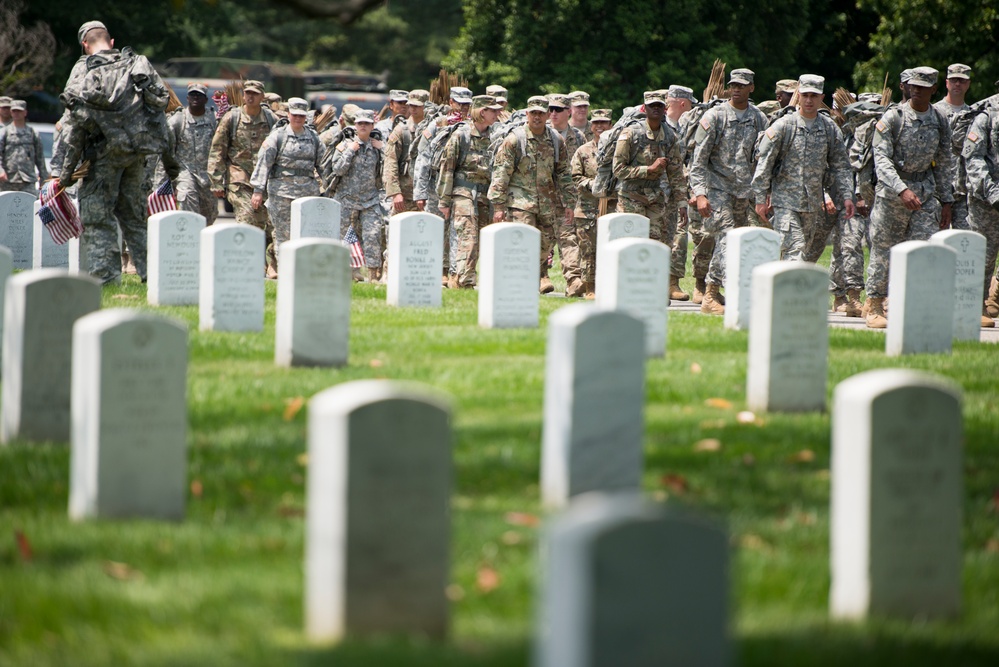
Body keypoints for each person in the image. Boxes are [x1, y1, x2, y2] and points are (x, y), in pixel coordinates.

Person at [57, 20, 176, 285]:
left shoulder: (84, 71)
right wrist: (171, 163)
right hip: (136, 154)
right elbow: (159, 114)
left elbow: (74, 125)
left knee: (98, 219)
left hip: (102, 157)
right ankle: (154, 277)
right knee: (135, 218)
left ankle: (108, 279)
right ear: (111, 42)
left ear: (84, 45)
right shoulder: (135, 65)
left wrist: (66, 173)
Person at [864, 66, 954, 329]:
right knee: (883, 251)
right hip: (893, 195)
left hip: (925, 194)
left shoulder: (939, 119)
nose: (916, 90)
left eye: (923, 87)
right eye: (913, 85)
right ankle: (876, 304)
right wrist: (901, 189)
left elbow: (945, 161)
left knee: (923, 251)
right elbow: (881, 159)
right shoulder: (893, 117)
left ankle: (913, 303)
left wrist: (946, 201)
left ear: (934, 90)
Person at [688, 68, 768, 315]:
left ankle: (722, 290)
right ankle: (710, 294)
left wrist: (763, 193)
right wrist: (700, 193)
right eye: (733, 85)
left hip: (743, 192)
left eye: (742, 85)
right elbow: (698, 160)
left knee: (736, 241)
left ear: (751, 88)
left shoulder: (759, 119)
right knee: (727, 238)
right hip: (717, 188)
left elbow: (764, 159)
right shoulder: (715, 117)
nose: (736, 89)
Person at [752, 75, 854, 262]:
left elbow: (841, 166)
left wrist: (847, 196)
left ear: (821, 98)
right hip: (785, 202)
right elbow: (764, 163)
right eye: (805, 95)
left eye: (813, 96)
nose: (809, 100)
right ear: (798, 95)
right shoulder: (784, 126)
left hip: (812, 205)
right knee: (795, 250)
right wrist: (760, 198)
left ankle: (777, 288)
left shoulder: (829, 128)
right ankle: (788, 290)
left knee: (803, 254)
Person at [488, 95, 574, 294]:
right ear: (527, 114)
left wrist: (569, 202)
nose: (537, 117)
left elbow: (563, 173)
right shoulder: (515, 140)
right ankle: (518, 285)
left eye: (541, 113)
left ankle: (534, 277)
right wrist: (499, 206)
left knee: (544, 247)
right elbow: (501, 173)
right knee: (521, 244)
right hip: (520, 203)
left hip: (547, 203)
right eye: (533, 113)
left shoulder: (555, 140)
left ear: (547, 115)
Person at [207, 79, 278, 275]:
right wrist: (216, 181)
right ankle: (253, 263)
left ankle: (270, 262)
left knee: (269, 221)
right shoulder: (232, 118)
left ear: (262, 97)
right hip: (239, 179)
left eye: (255, 93)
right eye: (247, 92)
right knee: (248, 218)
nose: (250, 96)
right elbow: (217, 150)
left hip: (264, 181)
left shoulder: (270, 119)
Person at [437, 94, 503, 288]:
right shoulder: (461, 135)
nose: (498, 113)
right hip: (462, 193)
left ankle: (457, 278)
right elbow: (447, 168)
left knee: (481, 239)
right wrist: (444, 200)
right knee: (468, 237)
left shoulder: (495, 135)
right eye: (494, 110)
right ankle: (466, 281)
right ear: (483, 112)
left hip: (484, 196)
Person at [250, 97, 322, 272]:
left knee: (305, 233)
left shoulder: (313, 138)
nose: (298, 118)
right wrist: (258, 191)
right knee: (282, 234)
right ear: (288, 114)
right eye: (295, 115)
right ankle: (284, 270)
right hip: (281, 193)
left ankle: (303, 270)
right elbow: (263, 164)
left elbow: (323, 165)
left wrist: (329, 188)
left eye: (301, 116)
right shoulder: (277, 136)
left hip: (307, 194)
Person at [613, 89, 686, 253]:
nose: (656, 109)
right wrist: (648, 169)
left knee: (654, 246)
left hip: (655, 199)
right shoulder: (631, 133)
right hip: (630, 198)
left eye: (659, 106)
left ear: (665, 109)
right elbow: (618, 169)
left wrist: (682, 203)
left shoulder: (669, 137)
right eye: (652, 106)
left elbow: (676, 173)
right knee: (631, 245)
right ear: (645, 108)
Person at [329, 109, 384, 280]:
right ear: (355, 125)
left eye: (367, 123)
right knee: (345, 237)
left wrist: (384, 148)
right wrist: (350, 151)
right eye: (360, 123)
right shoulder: (345, 146)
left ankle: (373, 274)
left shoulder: (377, 147)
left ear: (372, 125)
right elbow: (337, 169)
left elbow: (391, 166)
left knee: (373, 234)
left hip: (370, 200)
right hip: (346, 199)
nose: (363, 126)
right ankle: (349, 272)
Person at [960, 101, 998, 327]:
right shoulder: (986, 118)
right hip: (986, 200)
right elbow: (973, 159)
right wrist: (994, 194)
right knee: (983, 255)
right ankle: (976, 304)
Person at [570, 108, 613, 298]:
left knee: (610, 248)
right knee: (588, 250)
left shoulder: (616, 149)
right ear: (591, 126)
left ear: (611, 125)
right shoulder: (583, 151)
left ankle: (609, 285)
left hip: (612, 207)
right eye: (596, 123)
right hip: (587, 208)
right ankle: (590, 287)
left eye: (604, 122)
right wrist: (594, 185)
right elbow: (574, 178)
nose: (600, 126)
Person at [548, 93, 587, 295]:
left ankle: (573, 280)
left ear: (568, 112)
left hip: (566, 198)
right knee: (541, 240)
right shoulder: (540, 133)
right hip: (541, 196)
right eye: (550, 109)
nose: (552, 114)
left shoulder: (578, 137)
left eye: (557, 110)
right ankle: (540, 276)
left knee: (568, 238)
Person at [167, 82, 218, 225]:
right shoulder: (178, 120)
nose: (195, 97)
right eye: (192, 95)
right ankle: (191, 242)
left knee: (209, 215)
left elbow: (221, 148)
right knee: (188, 203)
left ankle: (203, 241)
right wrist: (161, 181)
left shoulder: (214, 119)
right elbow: (167, 151)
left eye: (199, 95)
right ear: (187, 98)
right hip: (185, 172)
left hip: (208, 175)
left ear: (206, 99)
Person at [665, 84, 696, 301]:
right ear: (683, 104)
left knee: (679, 237)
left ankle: (671, 282)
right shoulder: (658, 125)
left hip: (678, 192)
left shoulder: (687, 129)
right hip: (652, 192)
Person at [934, 63, 973, 230]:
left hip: (963, 189)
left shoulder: (973, 114)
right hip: (938, 188)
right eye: (954, 80)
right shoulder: (934, 112)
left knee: (964, 241)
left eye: (962, 81)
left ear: (968, 84)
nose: (958, 84)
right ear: (946, 83)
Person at [0, 100, 48, 195]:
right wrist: (1, 171)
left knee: (29, 206)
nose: (16, 113)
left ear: (25, 112)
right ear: (11, 112)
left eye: (19, 111)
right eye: (14, 111)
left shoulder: (32, 133)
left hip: (27, 179)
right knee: (6, 207)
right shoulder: (4, 132)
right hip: (9, 179)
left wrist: (43, 179)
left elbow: (40, 158)